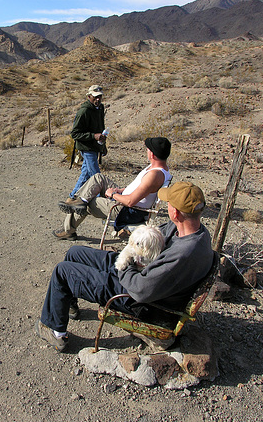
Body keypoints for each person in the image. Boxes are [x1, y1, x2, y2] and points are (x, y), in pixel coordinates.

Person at [36, 181, 213, 352]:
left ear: (175, 213)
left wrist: (126, 264)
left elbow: (141, 289)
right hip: (144, 274)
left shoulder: (183, 253)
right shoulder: (194, 231)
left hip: (140, 300)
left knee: (63, 271)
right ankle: (67, 303)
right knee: (75, 253)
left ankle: (55, 331)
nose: (166, 205)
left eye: (168, 203)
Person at [53, 137, 172, 241]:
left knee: (90, 202)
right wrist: (122, 190)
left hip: (126, 210)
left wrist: (113, 194)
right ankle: (80, 200)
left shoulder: (154, 175)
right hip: (126, 202)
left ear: (152, 154)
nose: (146, 151)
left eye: (148, 149)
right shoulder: (159, 168)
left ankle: (68, 229)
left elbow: (131, 201)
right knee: (98, 178)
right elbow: (142, 189)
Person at [66, 85, 107, 203]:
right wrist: (93, 136)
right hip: (86, 147)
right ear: (89, 96)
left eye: (99, 96)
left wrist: (102, 146)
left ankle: (72, 197)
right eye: (95, 97)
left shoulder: (100, 108)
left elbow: (101, 128)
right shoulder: (84, 111)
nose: (98, 99)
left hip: (95, 146)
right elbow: (75, 134)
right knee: (97, 176)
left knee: (85, 174)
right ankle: (102, 204)